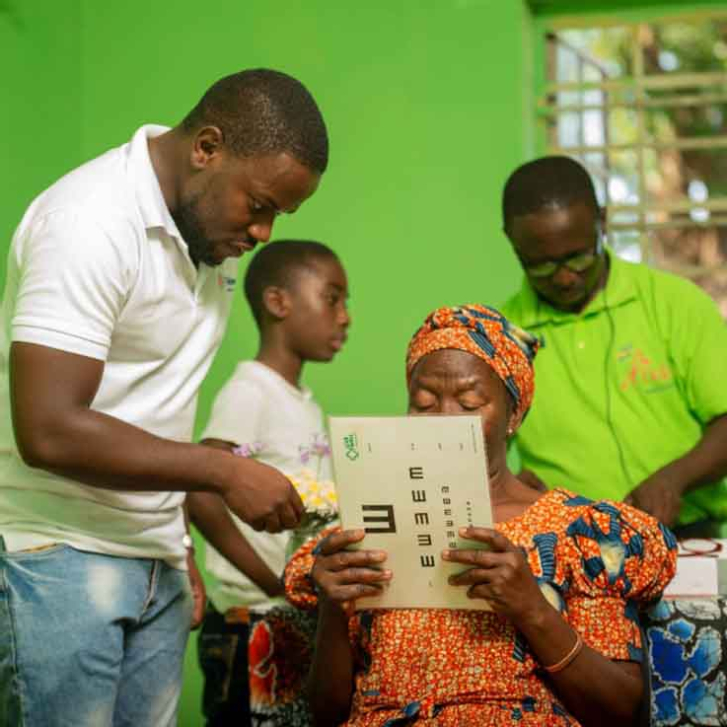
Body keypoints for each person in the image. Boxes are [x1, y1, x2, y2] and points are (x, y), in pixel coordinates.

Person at [0, 69, 328, 727]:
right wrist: (223, 471)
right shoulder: (88, 221)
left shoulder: (207, 237)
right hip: (60, 556)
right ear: (206, 148)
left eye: (278, 215)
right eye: (258, 205)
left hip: (155, 558)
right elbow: (48, 428)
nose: (264, 232)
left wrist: (172, 542)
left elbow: (154, 402)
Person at [284, 304, 677, 727]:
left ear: (514, 415)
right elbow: (326, 715)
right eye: (424, 404)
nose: (444, 421)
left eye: (469, 403)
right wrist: (333, 609)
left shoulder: (578, 533)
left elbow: (619, 712)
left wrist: (532, 608)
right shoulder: (372, 528)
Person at [500, 156, 727, 535]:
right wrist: (507, 488)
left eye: (578, 257)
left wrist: (674, 480)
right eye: (541, 265)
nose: (565, 278)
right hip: (564, 545)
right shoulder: (499, 338)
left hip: (686, 537)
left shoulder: (676, 304)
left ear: (602, 221)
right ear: (512, 242)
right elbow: (472, 457)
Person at [188, 239, 350, 726]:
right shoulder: (250, 391)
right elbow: (200, 493)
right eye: (333, 299)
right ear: (278, 302)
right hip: (248, 621)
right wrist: (272, 582)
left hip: (287, 616)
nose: (345, 317)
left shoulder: (301, 401)